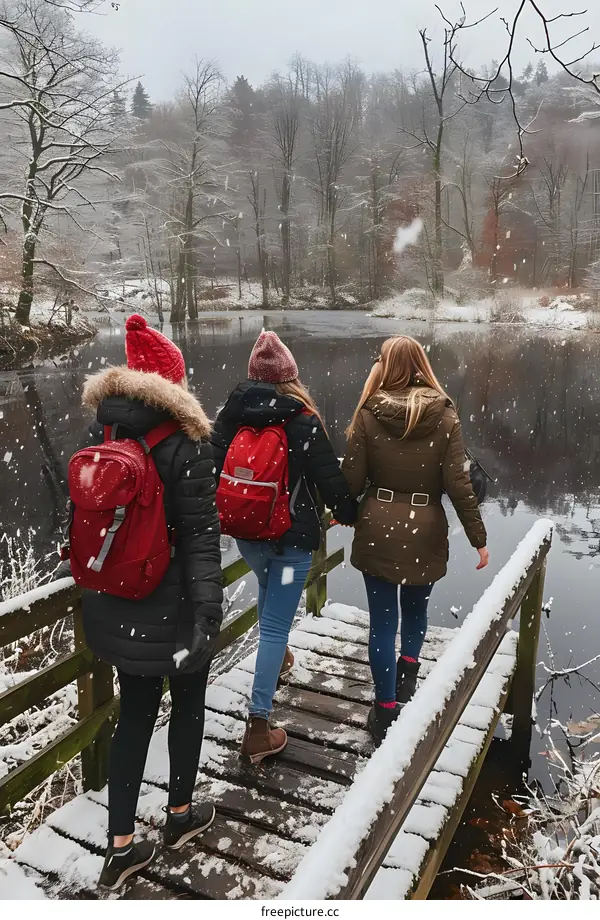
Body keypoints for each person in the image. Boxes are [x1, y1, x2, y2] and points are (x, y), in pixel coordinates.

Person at [79, 314, 223, 890]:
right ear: (172, 383)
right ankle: (181, 816)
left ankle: (120, 847)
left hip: (114, 600)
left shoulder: (102, 437)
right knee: (187, 704)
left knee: (133, 716)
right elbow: (202, 540)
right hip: (173, 606)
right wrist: (208, 612)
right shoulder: (186, 444)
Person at [212, 331, 356, 764]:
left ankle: (279, 657)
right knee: (275, 623)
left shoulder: (229, 416)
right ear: (290, 376)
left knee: (269, 597)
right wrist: (348, 510)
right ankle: (258, 725)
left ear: (252, 375)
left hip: (248, 535)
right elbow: (330, 479)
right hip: (292, 545)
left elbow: (212, 468)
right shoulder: (303, 419)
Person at [342, 335, 489, 743]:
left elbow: (351, 480)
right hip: (424, 527)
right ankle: (408, 671)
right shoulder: (444, 414)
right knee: (416, 609)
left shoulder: (369, 412)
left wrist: (340, 515)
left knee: (381, 623)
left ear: (385, 366)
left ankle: (385, 710)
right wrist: (478, 537)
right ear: (422, 363)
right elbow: (458, 483)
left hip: (378, 528)